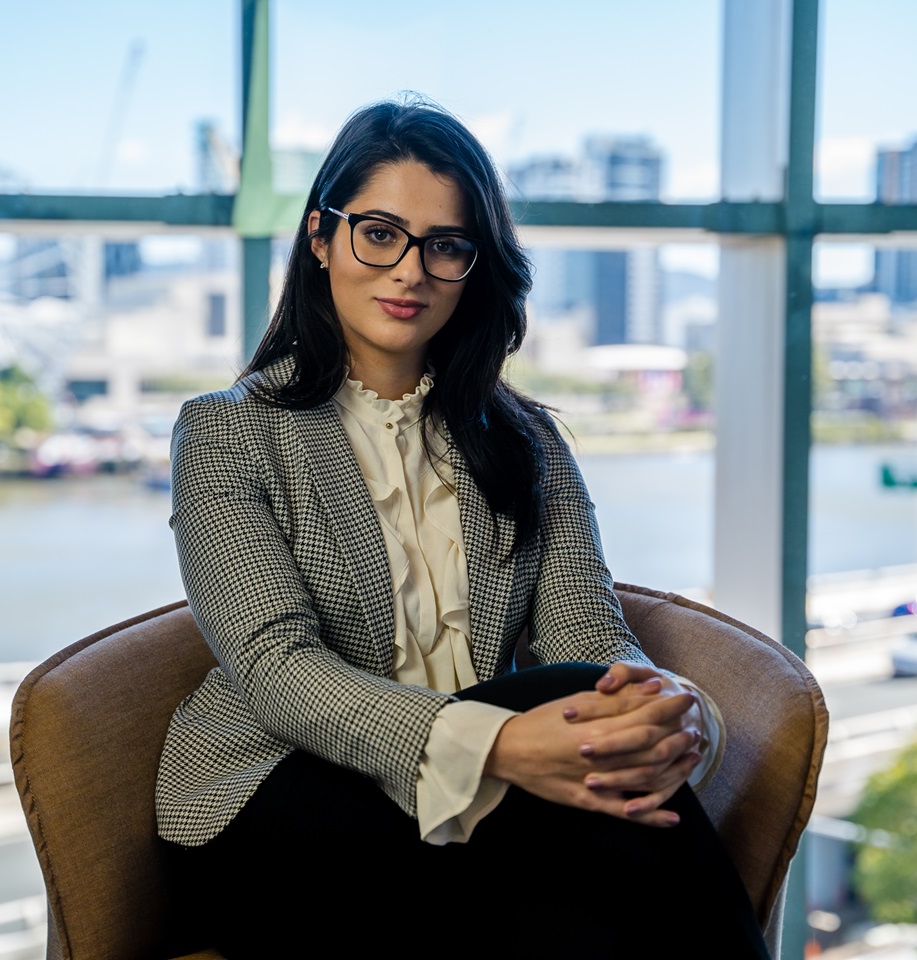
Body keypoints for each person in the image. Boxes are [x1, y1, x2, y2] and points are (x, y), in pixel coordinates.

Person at [157, 97, 770, 960]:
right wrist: (501, 743)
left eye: (444, 245)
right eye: (379, 233)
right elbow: (274, 669)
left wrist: (675, 713)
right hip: (276, 797)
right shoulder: (228, 430)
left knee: (611, 765)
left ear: (473, 268)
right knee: (607, 841)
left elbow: (587, 636)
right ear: (320, 238)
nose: (408, 271)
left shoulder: (527, 443)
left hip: (470, 804)